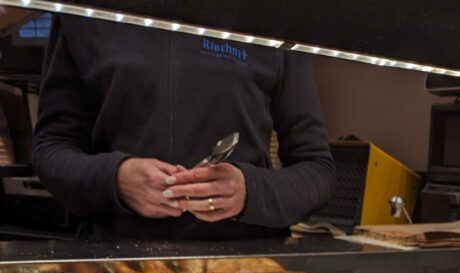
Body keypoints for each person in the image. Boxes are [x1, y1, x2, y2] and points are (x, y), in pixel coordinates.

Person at [32, 16, 336, 241]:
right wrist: (116, 178)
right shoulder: (85, 12)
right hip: (113, 269)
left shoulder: (272, 14)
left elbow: (317, 170)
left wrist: (249, 191)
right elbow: (51, 149)